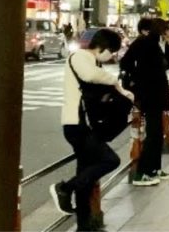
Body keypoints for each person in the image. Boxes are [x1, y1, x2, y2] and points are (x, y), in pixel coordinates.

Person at [50, 29, 133, 230]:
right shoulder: (79, 57)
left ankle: (84, 224)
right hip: (77, 124)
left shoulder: (91, 61)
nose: (112, 57)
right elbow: (90, 76)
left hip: (85, 125)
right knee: (110, 160)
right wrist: (115, 82)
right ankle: (64, 188)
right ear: (103, 47)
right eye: (112, 52)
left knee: (86, 174)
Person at [119, 17, 169, 186]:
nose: (166, 32)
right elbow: (125, 63)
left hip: (156, 93)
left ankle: (154, 169)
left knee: (157, 134)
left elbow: (167, 63)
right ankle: (142, 172)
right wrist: (140, 80)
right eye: (165, 29)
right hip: (149, 94)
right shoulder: (143, 42)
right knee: (153, 135)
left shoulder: (153, 45)